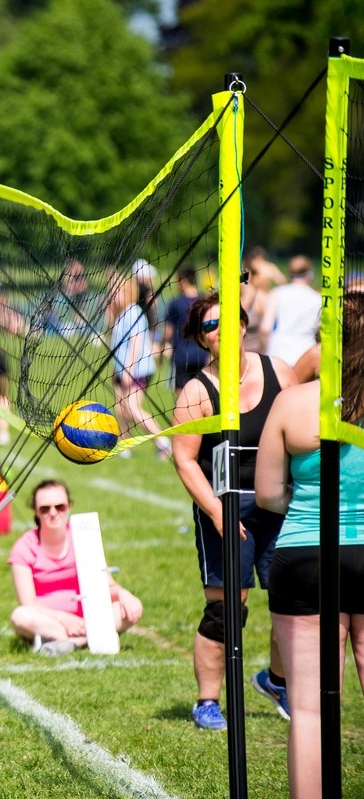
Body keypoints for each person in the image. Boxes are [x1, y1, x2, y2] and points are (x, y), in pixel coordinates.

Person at [171, 292, 297, 731]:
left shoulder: (277, 371)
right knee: (227, 611)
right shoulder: (196, 390)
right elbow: (184, 458)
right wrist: (216, 512)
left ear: (244, 325)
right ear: (202, 340)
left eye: (228, 320)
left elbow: (300, 425)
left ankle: (276, 681)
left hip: (279, 502)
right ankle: (207, 702)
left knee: (292, 601)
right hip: (225, 505)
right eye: (210, 325)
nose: (221, 329)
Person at [256, 291, 364, 799]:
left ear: (325, 342)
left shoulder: (293, 402)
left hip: (304, 552)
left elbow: (269, 494)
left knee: (308, 708)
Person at [8, 481, 142, 656]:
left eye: (60, 507)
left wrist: (123, 593)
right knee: (20, 616)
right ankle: (90, 635)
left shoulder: (85, 537)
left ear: (69, 506)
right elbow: (28, 603)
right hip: (49, 621)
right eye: (45, 509)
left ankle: (73, 641)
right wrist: (64, 619)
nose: (53, 513)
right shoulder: (24, 546)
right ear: (35, 511)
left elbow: (107, 586)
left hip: (88, 617)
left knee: (131, 606)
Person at [109, 277, 171, 460]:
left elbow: (136, 344)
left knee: (133, 408)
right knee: (120, 409)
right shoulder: (121, 313)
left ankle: (163, 442)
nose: (113, 295)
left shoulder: (134, 312)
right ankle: (124, 445)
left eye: (117, 292)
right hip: (121, 370)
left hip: (136, 370)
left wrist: (128, 370)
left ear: (128, 293)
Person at [259, 255, 320, 368]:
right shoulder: (318, 298)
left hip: (278, 354)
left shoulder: (276, 293)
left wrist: (263, 349)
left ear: (289, 273)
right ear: (310, 274)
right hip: (305, 354)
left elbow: (265, 328)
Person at [162, 265, 208, 395]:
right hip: (203, 355)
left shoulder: (176, 303)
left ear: (183, 281)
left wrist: (161, 349)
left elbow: (168, 331)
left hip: (182, 356)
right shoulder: (205, 300)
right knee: (202, 394)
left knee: (182, 397)